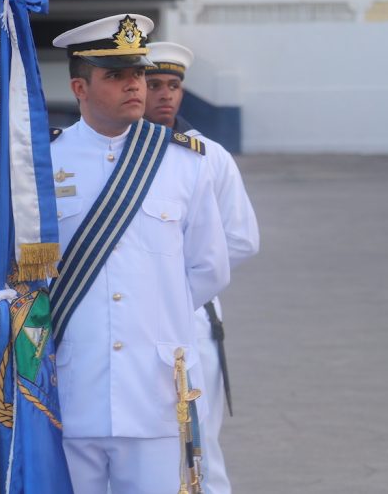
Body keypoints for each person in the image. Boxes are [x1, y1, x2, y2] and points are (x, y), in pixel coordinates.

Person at [0, 14, 231, 494]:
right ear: (80, 86)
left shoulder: (187, 163)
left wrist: (154, 315)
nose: (134, 86)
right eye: (115, 75)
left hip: (156, 390)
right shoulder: (42, 162)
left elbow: (208, 268)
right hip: (65, 387)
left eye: (138, 73)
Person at [144, 40, 260, 494]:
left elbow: (242, 239)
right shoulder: (108, 153)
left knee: (199, 443)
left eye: (174, 85)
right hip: (122, 321)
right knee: (135, 444)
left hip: (191, 315)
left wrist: (175, 284)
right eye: (154, 85)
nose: (166, 95)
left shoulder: (209, 156)